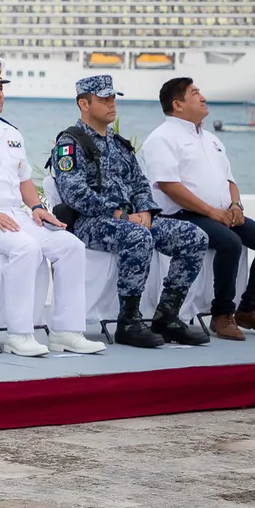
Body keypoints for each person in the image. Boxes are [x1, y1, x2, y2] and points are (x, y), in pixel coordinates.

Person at [0, 57, 106, 357]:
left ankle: (66, 331)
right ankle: (19, 334)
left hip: (15, 217)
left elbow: (24, 180)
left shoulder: (12, 134)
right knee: (25, 248)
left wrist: (38, 207)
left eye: (0, 87)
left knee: (70, 246)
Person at [49, 75, 210, 348]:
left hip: (132, 220)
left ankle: (167, 315)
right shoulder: (70, 143)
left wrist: (146, 210)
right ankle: (129, 321)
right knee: (137, 237)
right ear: (83, 104)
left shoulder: (119, 144)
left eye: (113, 98)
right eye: (104, 99)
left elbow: (139, 183)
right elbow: (74, 194)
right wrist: (121, 216)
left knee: (194, 237)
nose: (112, 104)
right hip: (92, 223)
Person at [143, 78, 255, 341]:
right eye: (195, 93)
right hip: (182, 215)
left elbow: (230, 180)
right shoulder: (161, 138)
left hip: (222, 213)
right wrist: (211, 212)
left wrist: (235, 205)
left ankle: (251, 308)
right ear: (177, 105)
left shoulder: (211, 139)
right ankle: (222, 315)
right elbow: (167, 185)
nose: (202, 96)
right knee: (230, 243)